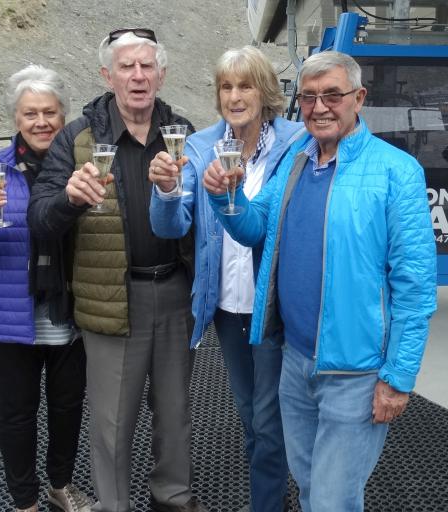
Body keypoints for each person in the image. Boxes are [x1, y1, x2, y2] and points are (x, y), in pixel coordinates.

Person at [203, 51, 438, 512]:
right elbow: (256, 228)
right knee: (311, 488)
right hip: (295, 362)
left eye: (332, 94)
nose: (320, 106)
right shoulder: (296, 157)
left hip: (355, 370)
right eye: (309, 97)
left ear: (359, 98)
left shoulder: (396, 171)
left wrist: (399, 377)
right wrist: (226, 198)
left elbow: (415, 286)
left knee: (333, 500)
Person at [27, 29, 206, 512]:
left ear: (162, 74)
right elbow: (39, 218)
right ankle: (115, 506)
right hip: (109, 297)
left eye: (147, 66)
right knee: (112, 423)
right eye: (126, 66)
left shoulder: (185, 132)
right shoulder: (78, 137)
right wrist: (68, 198)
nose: (138, 75)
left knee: (174, 414)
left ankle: (172, 498)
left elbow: (205, 216)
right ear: (107, 75)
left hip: (174, 291)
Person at [148, 46, 304, 512]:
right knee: (250, 415)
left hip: (275, 305)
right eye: (226, 86)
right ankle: (272, 496)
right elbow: (171, 227)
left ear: (266, 91)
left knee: (267, 417)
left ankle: (268, 502)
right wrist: (168, 190)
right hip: (228, 308)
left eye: (246, 85)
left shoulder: (296, 142)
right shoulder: (200, 147)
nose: (235, 96)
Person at [0, 65, 91, 512]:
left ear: (64, 116)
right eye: (31, 113)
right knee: (17, 415)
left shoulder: (83, 168)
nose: (42, 122)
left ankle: (60, 486)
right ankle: (24, 501)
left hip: (69, 313)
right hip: (10, 318)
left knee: (67, 409)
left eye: (50, 112)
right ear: (16, 118)